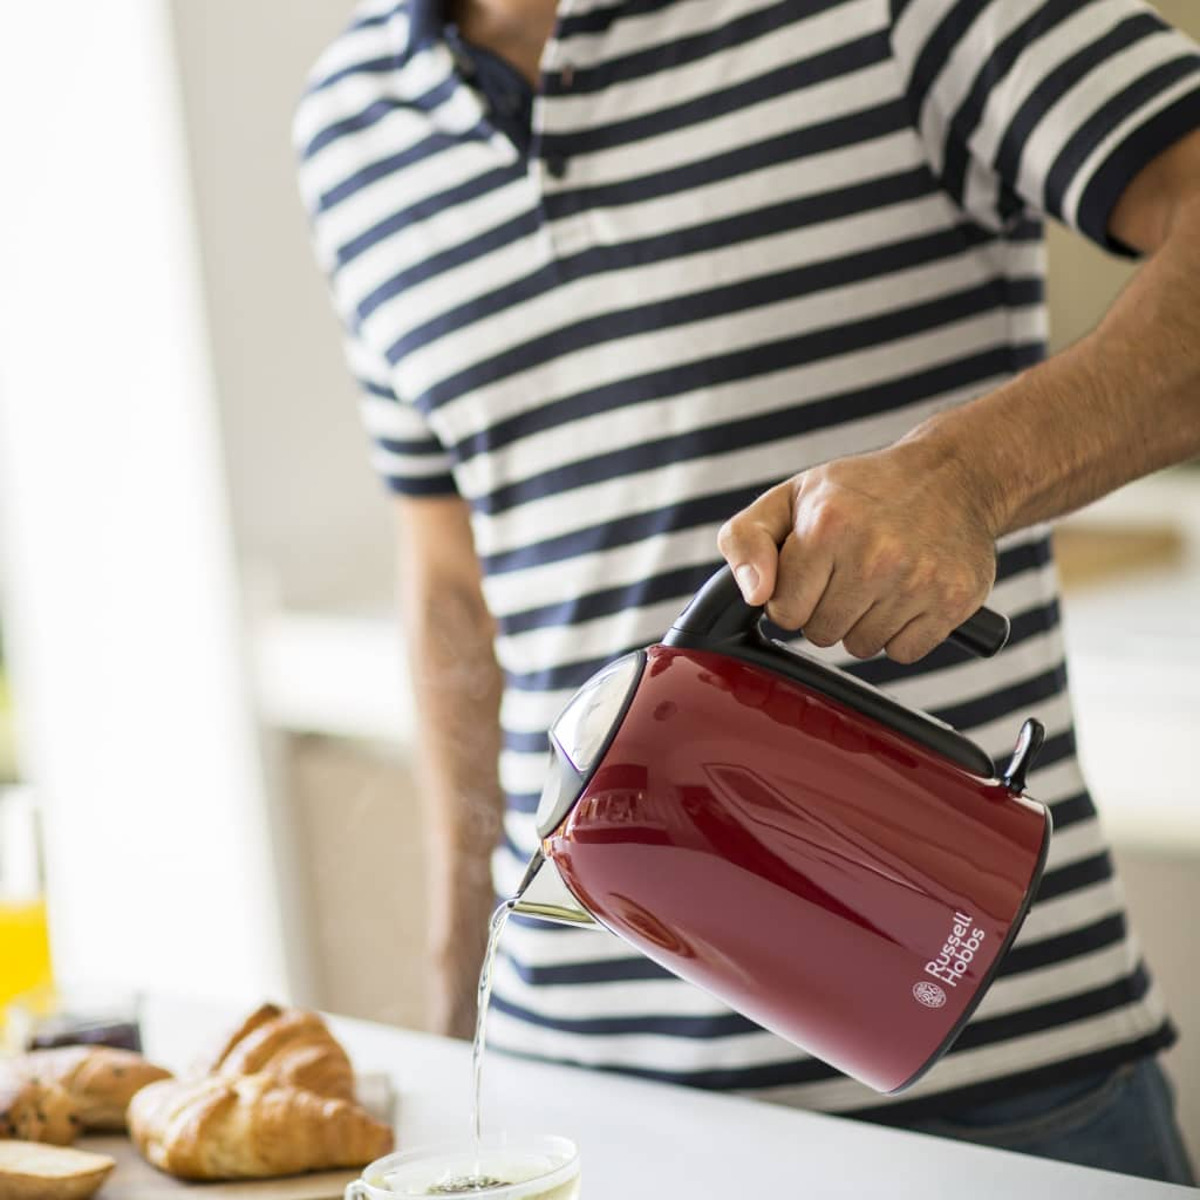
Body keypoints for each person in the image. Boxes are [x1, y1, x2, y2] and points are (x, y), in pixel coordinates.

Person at [294, 0, 1200, 1183]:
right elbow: (455, 585)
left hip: (984, 1098)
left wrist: (965, 478)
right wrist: (456, 981)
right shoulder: (350, 121)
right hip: (572, 1096)